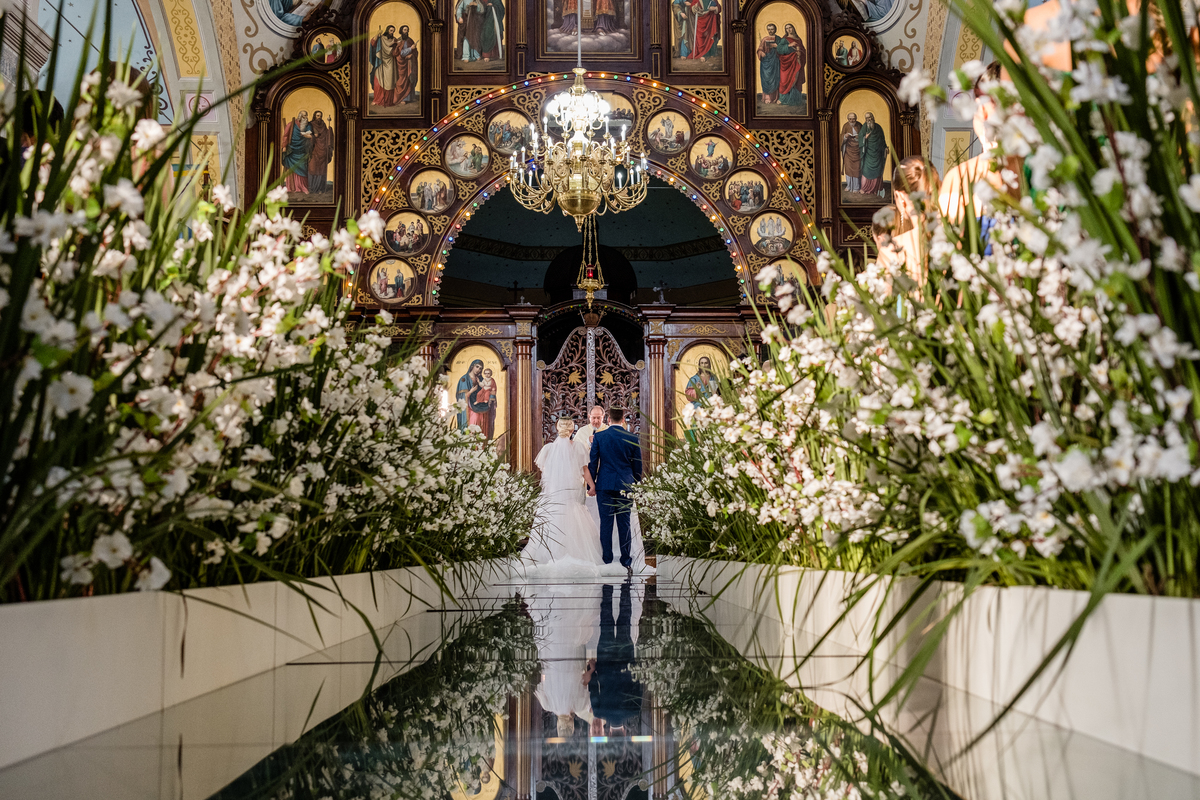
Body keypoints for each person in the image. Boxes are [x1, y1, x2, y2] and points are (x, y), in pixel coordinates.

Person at [522, 418, 613, 574]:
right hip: (572, 493)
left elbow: (546, 472)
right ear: (572, 430)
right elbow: (585, 470)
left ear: (557, 429)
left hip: (553, 494)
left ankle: (549, 556)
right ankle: (577, 555)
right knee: (575, 521)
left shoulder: (548, 449)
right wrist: (592, 485)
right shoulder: (577, 447)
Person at [576, 406, 651, 574]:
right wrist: (635, 483)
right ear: (623, 420)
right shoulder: (632, 437)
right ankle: (626, 562)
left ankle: (607, 560)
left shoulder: (600, 437)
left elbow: (593, 463)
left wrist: (591, 486)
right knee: (624, 523)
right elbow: (637, 465)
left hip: (605, 485)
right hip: (625, 486)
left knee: (606, 524)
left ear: (608, 420)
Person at [587, 581, 644, 737]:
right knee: (606, 623)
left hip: (626, 662)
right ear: (609, 733)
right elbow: (593, 688)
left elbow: (639, 686)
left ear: (624, 732)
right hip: (605, 663)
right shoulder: (599, 712)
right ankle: (607, 588)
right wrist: (592, 670)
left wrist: (634, 667)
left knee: (624, 622)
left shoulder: (634, 711)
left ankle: (625, 588)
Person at [757, 22, 806, 107]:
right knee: (779, 80)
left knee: (793, 79)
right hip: (780, 62)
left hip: (789, 62)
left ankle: (793, 99)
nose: (788, 30)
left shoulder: (784, 38)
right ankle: (772, 98)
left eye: (790, 27)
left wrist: (800, 53)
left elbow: (803, 50)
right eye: (787, 28)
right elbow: (778, 49)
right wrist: (761, 52)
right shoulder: (776, 39)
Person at [281, 110, 313, 194]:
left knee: (303, 167)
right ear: (299, 117)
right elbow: (285, 135)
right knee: (291, 167)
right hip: (292, 150)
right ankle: (291, 187)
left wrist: (307, 135)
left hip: (303, 150)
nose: (305, 117)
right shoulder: (291, 124)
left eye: (306, 115)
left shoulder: (308, 125)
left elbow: (310, 136)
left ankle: (303, 187)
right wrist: (284, 146)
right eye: (303, 116)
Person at [858, 112, 887, 197]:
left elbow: (882, 139)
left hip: (877, 154)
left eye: (870, 117)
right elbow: (860, 138)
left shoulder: (878, 128)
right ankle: (864, 188)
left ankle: (875, 189)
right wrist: (865, 138)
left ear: (873, 117)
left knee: (877, 171)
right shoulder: (864, 127)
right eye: (867, 118)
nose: (869, 119)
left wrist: (885, 147)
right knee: (866, 170)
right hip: (868, 154)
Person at [307, 110, 332, 194]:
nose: (319, 117)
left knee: (321, 169)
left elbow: (326, 135)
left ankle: (320, 188)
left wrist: (329, 130)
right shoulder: (310, 124)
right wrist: (313, 137)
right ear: (315, 116)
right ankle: (312, 188)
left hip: (323, 149)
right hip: (314, 149)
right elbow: (307, 135)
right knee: (312, 167)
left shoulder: (324, 125)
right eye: (318, 116)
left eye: (320, 116)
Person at [840, 112, 862, 193]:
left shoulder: (859, 125)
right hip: (848, 150)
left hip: (857, 150)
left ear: (855, 119)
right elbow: (841, 136)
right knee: (848, 169)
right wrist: (845, 136)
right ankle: (849, 186)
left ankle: (856, 187)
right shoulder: (846, 125)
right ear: (848, 119)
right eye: (850, 119)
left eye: (853, 119)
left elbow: (864, 136)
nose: (852, 120)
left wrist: (858, 137)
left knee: (857, 169)